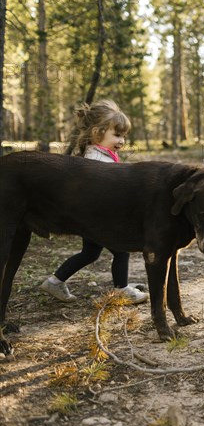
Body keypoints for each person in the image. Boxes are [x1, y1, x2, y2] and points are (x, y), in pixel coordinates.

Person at [40, 100, 148, 304]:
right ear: (98, 133)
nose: (122, 141)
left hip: (91, 218)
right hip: (100, 219)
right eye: (117, 135)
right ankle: (122, 289)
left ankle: (55, 281)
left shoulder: (101, 155)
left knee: (89, 253)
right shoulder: (97, 161)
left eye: (123, 136)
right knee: (121, 250)